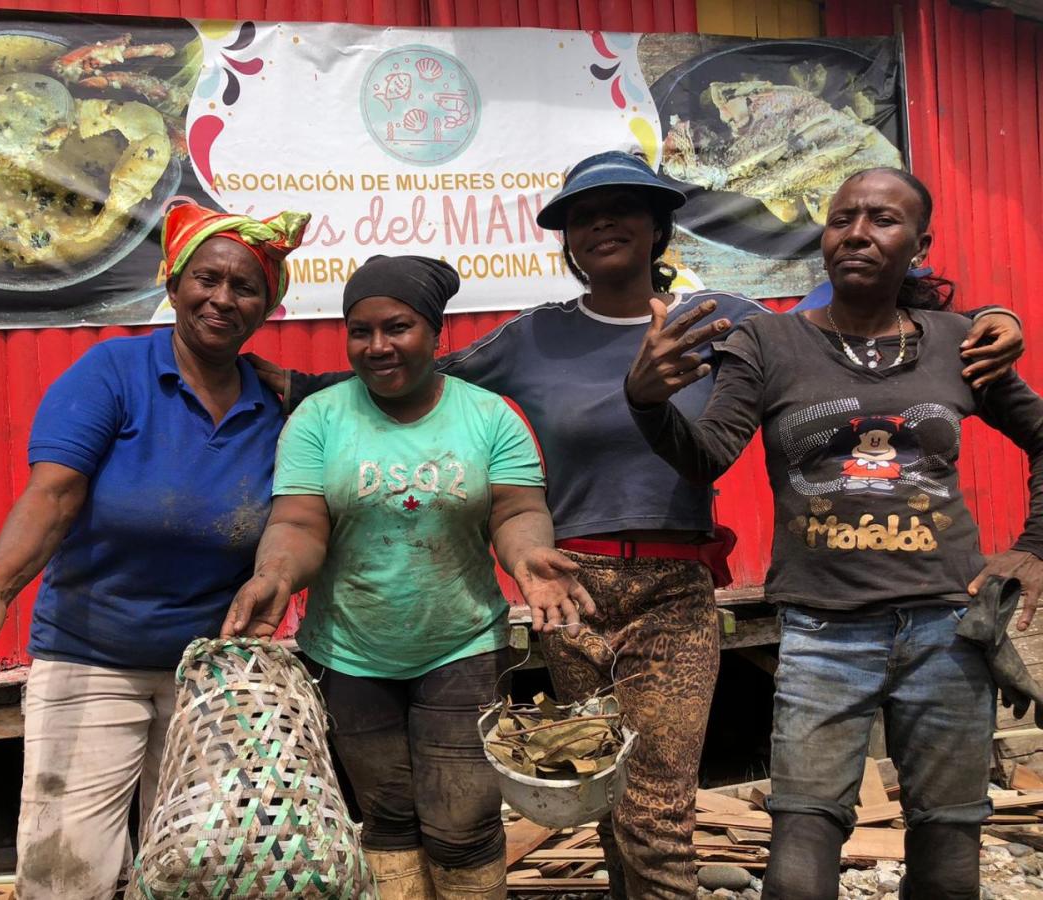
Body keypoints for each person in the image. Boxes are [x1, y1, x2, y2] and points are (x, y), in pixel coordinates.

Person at [251, 151, 1024, 899]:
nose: (601, 225)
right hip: (573, 589)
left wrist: (989, 317)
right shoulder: (534, 336)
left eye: (622, 208)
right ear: (567, 240)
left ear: (659, 227)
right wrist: (301, 387)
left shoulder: (727, 320)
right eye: (582, 216)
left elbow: (846, 334)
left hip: (674, 588)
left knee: (657, 807)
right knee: (605, 796)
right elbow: (420, 375)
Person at [624, 167, 1043, 900]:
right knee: (801, 846)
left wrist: (1033, 547)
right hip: (823, 629)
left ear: (920, 245)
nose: (856, 233)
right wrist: (648, 404)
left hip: (948, 626)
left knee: (949, 844)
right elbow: (707, 456)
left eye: (882, 219)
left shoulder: (960, 342)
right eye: (842, 218)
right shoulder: (767, 341)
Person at [0, 202, 310, 900]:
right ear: (174, 283)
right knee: (66, 870)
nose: (223, 298)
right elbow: (53, 495)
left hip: (211, 672)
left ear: (267, 305)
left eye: (245, 287)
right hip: (91, 658)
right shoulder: (114, 373)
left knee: (199, 868)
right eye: (206, 279)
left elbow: (299, 519)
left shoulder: (276, 405)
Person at [223, 254, 593, 900]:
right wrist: (276, 574)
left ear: (433, 332)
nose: (377, 346)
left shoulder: (488, 417)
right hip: (350, 651)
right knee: (388, 817)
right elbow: (300, 522)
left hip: (462, 645)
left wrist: (529, 555)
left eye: (397, 327)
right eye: (360, 331)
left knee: (463, 824)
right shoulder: (320, 418)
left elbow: (516, 510)